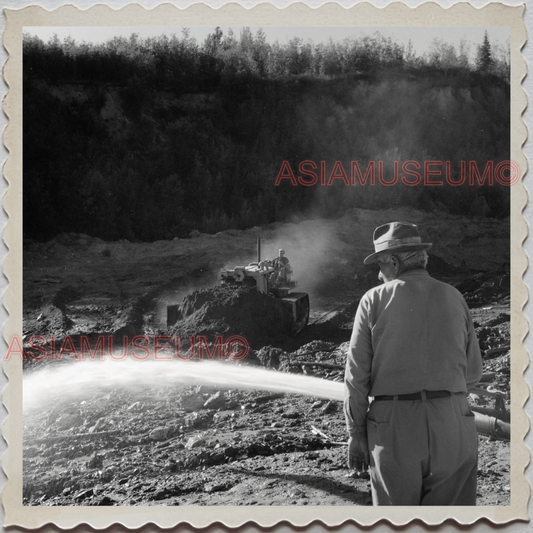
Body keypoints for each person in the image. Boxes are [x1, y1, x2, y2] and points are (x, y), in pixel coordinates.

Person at [344, 221, 483, 506]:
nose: (379, 274)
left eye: (380, 266)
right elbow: (473, 373)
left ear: (393, 261)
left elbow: (356, 378)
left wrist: (356, 433)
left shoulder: (373, 300)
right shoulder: (455, 297)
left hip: (394, 428)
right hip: (453, 422)